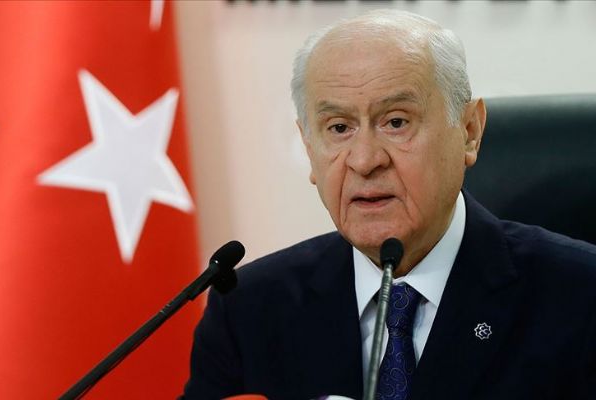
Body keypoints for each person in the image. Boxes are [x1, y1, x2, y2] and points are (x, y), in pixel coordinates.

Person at [182, 9, 596, 400]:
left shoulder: (580, 296)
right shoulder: (249, 310)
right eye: (339, 128)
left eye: (396, 122)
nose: (365, 160)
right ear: (309, 149)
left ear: (469, 131)